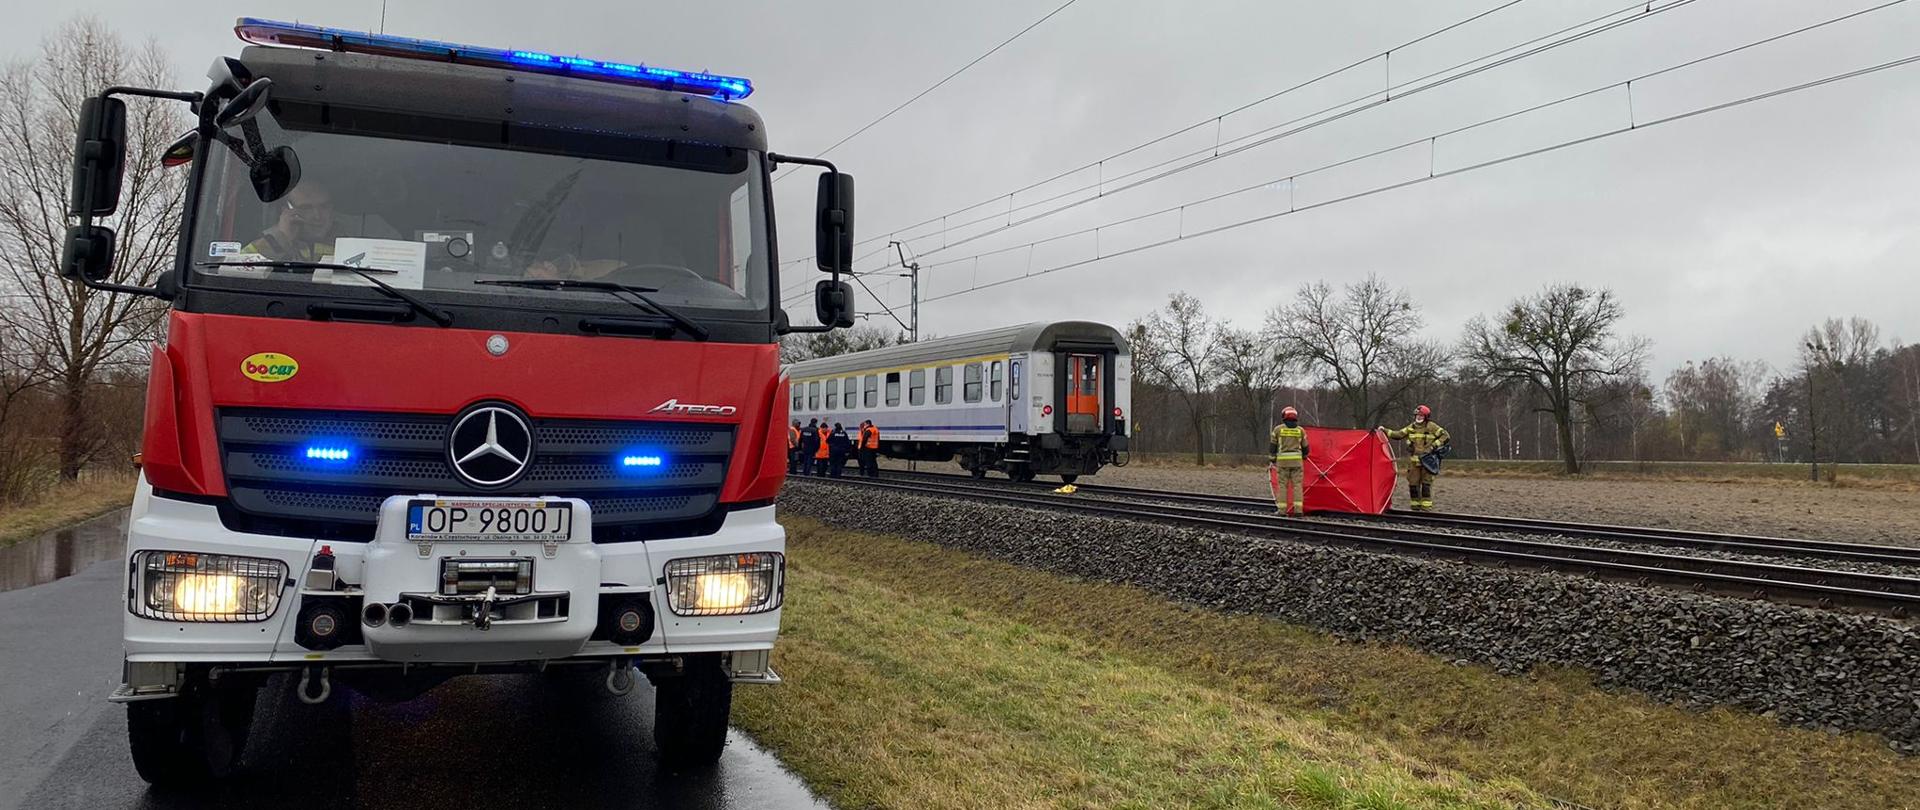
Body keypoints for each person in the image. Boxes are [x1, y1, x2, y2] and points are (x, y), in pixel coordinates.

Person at [1381, 405, 1450, 511]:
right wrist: (1384, 430)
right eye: (1417, 415)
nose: (1418, 417)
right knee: (1413, 485)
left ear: (1426, 416)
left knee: (1426, 485)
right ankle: (1415, 509)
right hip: (1414, 463)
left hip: (1428, 462)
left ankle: (1426, 509)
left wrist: (1433, 446)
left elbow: (1445, 436)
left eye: (1421, 415)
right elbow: (1398, 434)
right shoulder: (1411, 427)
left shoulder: (1431, 426)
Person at [245, 183, 337, 261]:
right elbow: (238, 269)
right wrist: (281, 239)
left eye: (324, 206)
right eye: (306, 208)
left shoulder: (348, 238)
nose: (317, 216)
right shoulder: (269, 241)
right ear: (287, 211)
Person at [1268, 406, 1310, 515]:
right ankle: (1298, 510)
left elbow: (1273, 446)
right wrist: (1305, 456)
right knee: (1297, 486)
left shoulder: (1278, 430)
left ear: (1284, 417)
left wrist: (1272, 458)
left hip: (1282, 463)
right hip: (1297, 463)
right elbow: (1306, 447)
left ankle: (1282, 510)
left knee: (1282, 486)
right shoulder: (1300, 430)